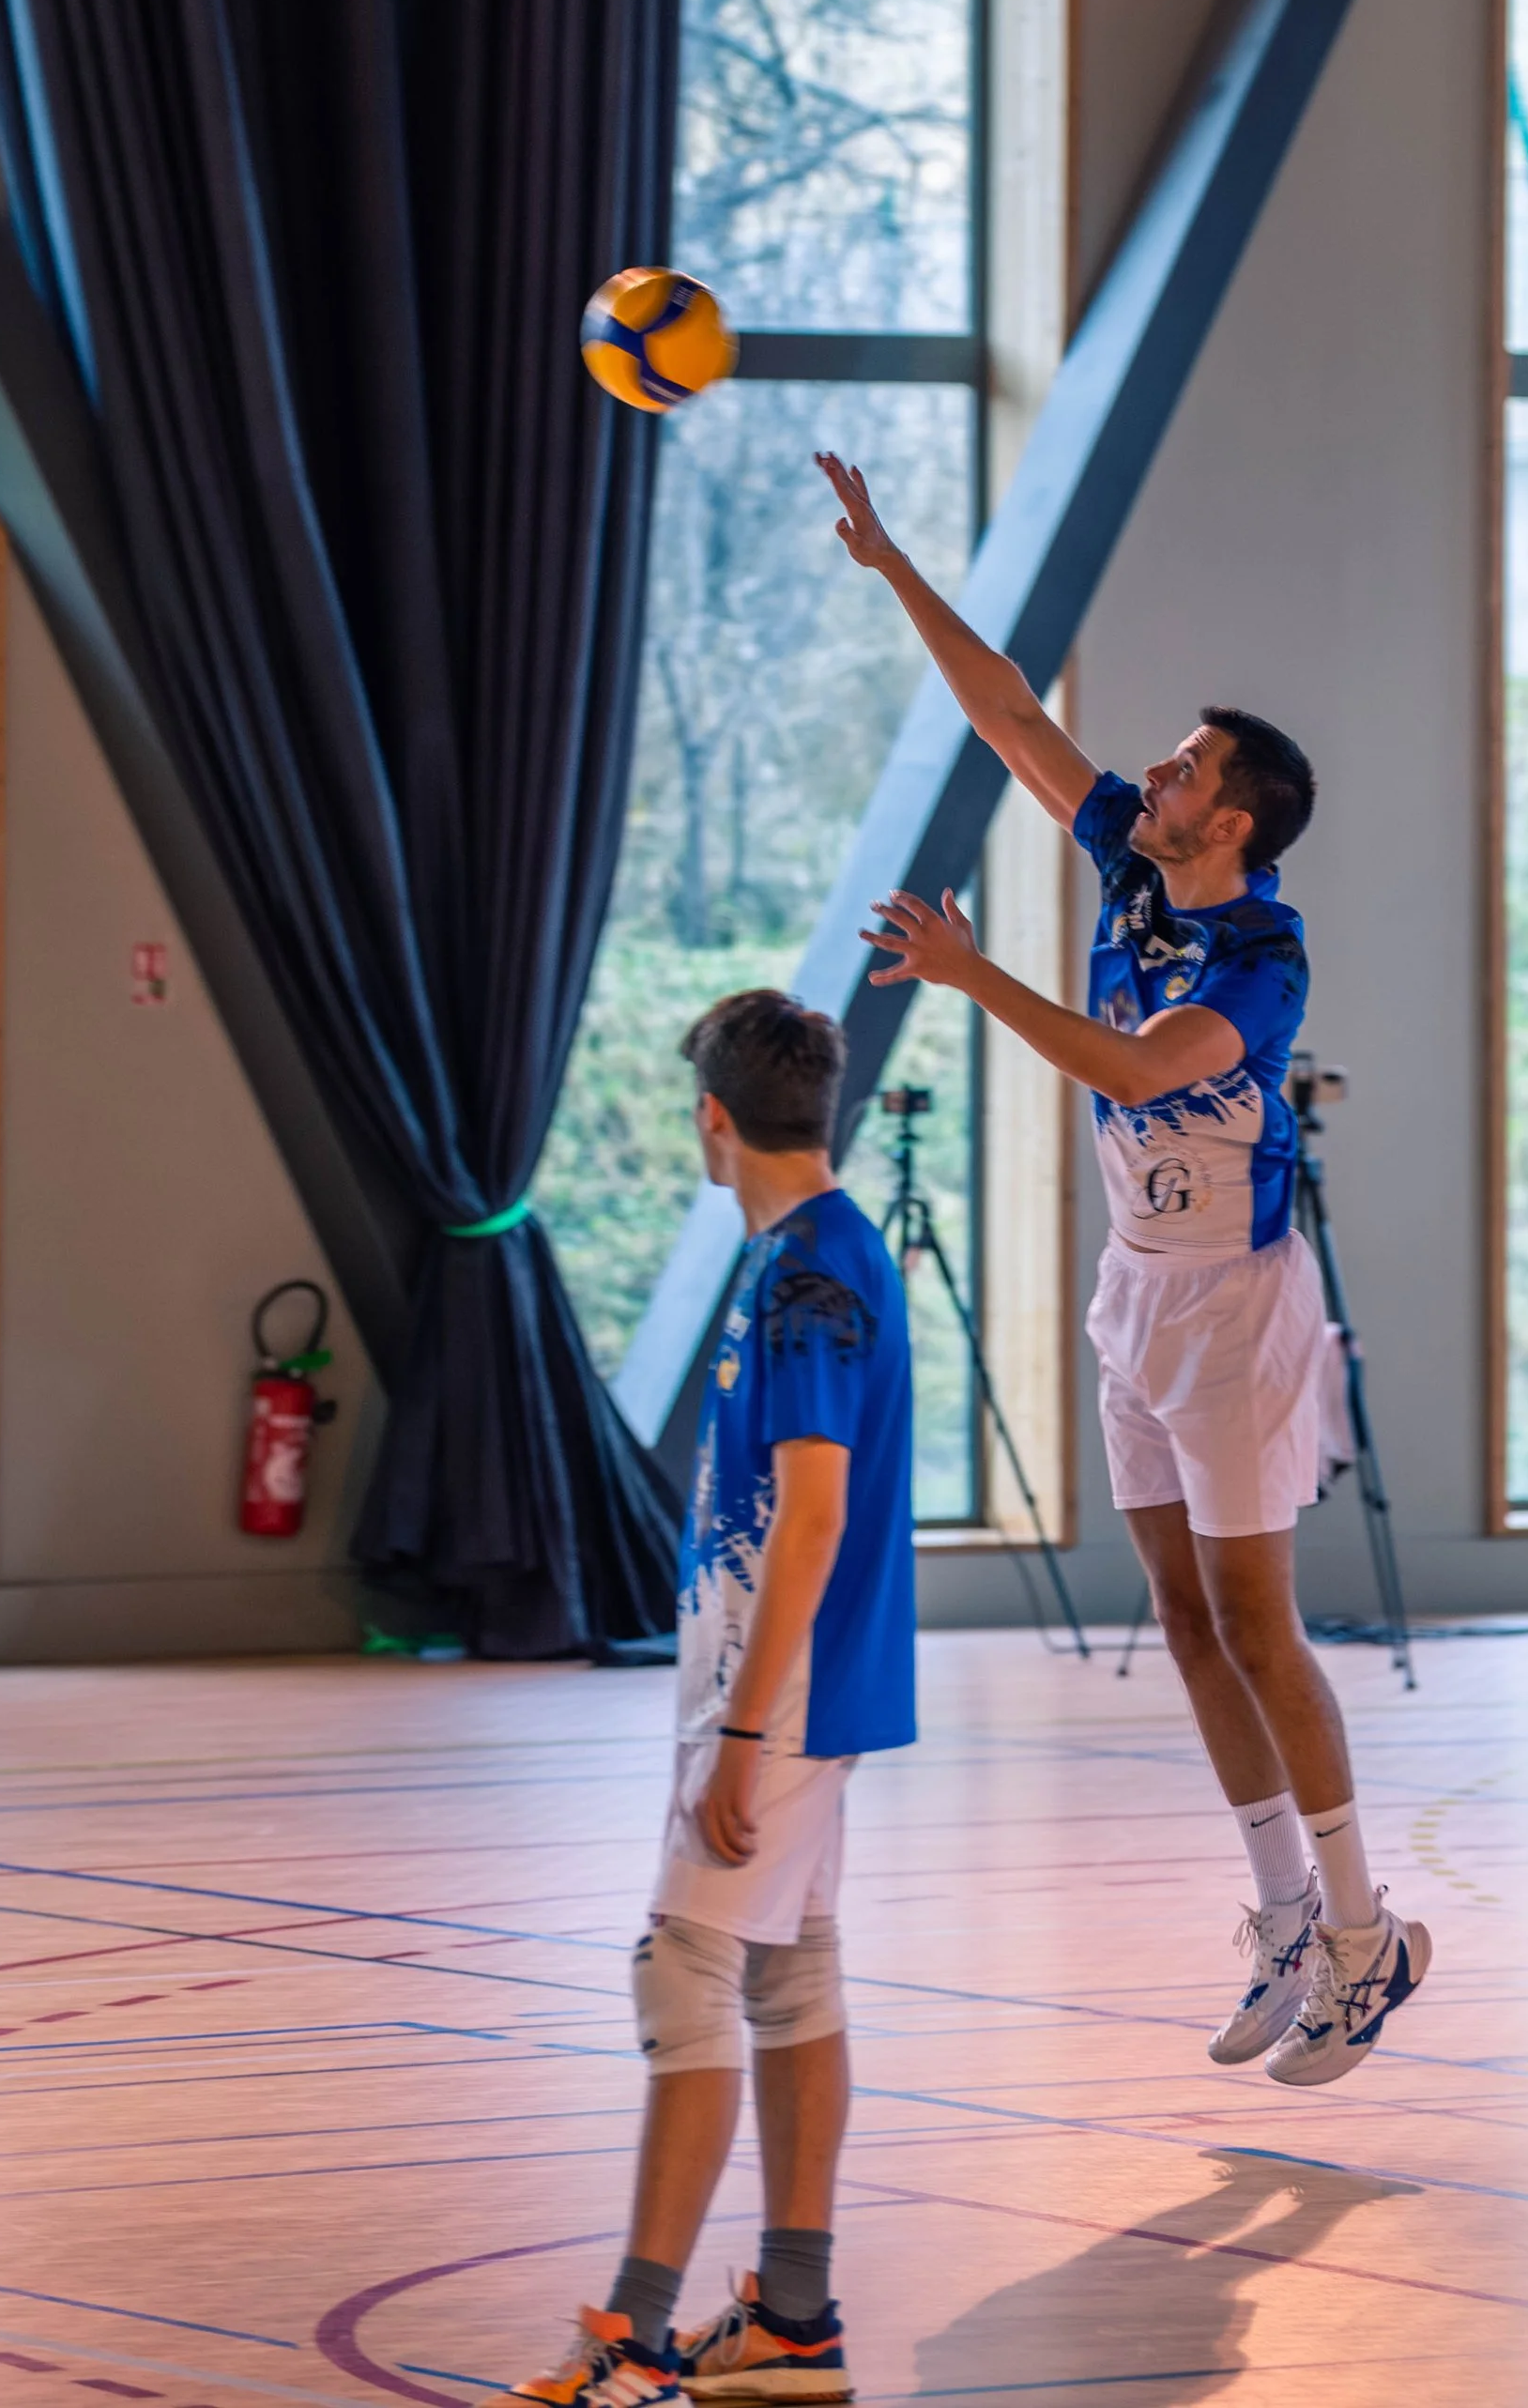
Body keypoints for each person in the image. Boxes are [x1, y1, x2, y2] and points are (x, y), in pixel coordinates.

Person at [814, 450, 1429, 2089]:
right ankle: (1285, 1911)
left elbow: (1143, 1068)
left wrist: (964, 974)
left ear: (1230, 819)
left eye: (1180, 765)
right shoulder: (1134, 864)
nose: (1146, 771)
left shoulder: (1260, 952)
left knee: (1255, 1617)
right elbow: (1011, 714)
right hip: (1136, 1287)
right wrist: (891, 570)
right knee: (1175, 1609)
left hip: (1238, 1302)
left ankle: (1371, 1937)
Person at [509, 989, 915, 2407]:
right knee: (792, 1977)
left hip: (781, 1696)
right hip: (787, 1688)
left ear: (715, 1120)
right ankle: (793, 2323)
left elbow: (811, 1517)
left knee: (682, 1974)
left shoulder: (807, 1278)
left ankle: (630, 2338)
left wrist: (742, 1733)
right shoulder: (814, 1253)